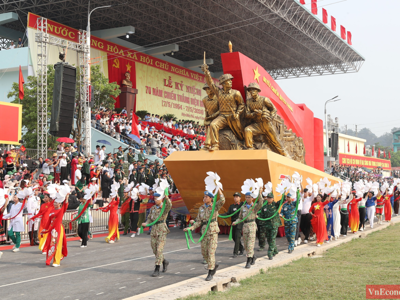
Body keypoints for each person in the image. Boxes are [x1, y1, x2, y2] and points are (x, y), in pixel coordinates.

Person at [184, 189, 225, 281]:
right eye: (204, 197)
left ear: (211, 198)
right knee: (204, 252)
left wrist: (219, 190)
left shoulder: (214, 206)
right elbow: (199, 221)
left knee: (211, 252)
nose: (204, 198)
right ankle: (213, 265)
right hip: (204, 232)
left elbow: (222, 200)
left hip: (212, 231)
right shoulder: (201, 208)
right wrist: (191, 228)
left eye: (206, 197)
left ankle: (210, 272)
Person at [142, 192, 172, 277]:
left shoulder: (164, 207)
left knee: (159, 250)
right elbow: (149, 219)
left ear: (161, 198)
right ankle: (164, 261)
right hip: (154, 230)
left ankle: (157, 268)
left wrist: (167, 197)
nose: (155, 200)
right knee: (154, 250)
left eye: (157, 198)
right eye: (154, 198)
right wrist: (146, 224)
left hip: (162, 230)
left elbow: (169, 205)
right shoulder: (153, 208)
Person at [232, 189, 264, 268]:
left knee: (250, 245)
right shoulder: (243, 207)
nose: (247, 199)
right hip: (245, 227)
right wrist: (236, 222)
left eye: (249, 197)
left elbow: (261, 203)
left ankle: (248, 261)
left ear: (252, 198)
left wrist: (259, 193)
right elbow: (240, 217)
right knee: (246, 245)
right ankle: (252, 257)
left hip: (252, 226)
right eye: (246, 197)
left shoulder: (255, 206)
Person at [42, 192, 69, 267]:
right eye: (54, 203)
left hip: (58, 229)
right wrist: (45, 229)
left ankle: (57, 261)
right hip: (52, 229)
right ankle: (53, 257)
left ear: (60, 204)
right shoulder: (52, 211)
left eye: (56, 203)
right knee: (51, 244)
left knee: (57, 244)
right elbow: (49, 221)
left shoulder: (61, 210)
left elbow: (65, 206)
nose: (54, 204)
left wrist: (66, 198)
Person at [260, 193, 281, 260]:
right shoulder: (264, 207)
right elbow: (261, 215)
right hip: (267, 225)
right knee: (269, 239)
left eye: (270, 198)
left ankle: (270, 253)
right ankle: (275, 250)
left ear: (273, 199)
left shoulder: (275, 205)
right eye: (268, 198)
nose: (269, 199)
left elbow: (282, 200)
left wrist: (284, 193)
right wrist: (258, 216)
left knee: (272, 239)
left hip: (274, 224)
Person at [224, 192, 244, 257]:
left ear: (240, 198)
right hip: (233, 223)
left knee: (237, 237)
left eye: (237, 197)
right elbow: (227, 214)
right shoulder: (232, 206)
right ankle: (241, 248)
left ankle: (235, 252)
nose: (235, 198)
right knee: (234, 237)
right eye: (235, 197)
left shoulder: (242, 205)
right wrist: (219, 215)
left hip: (239, 222)